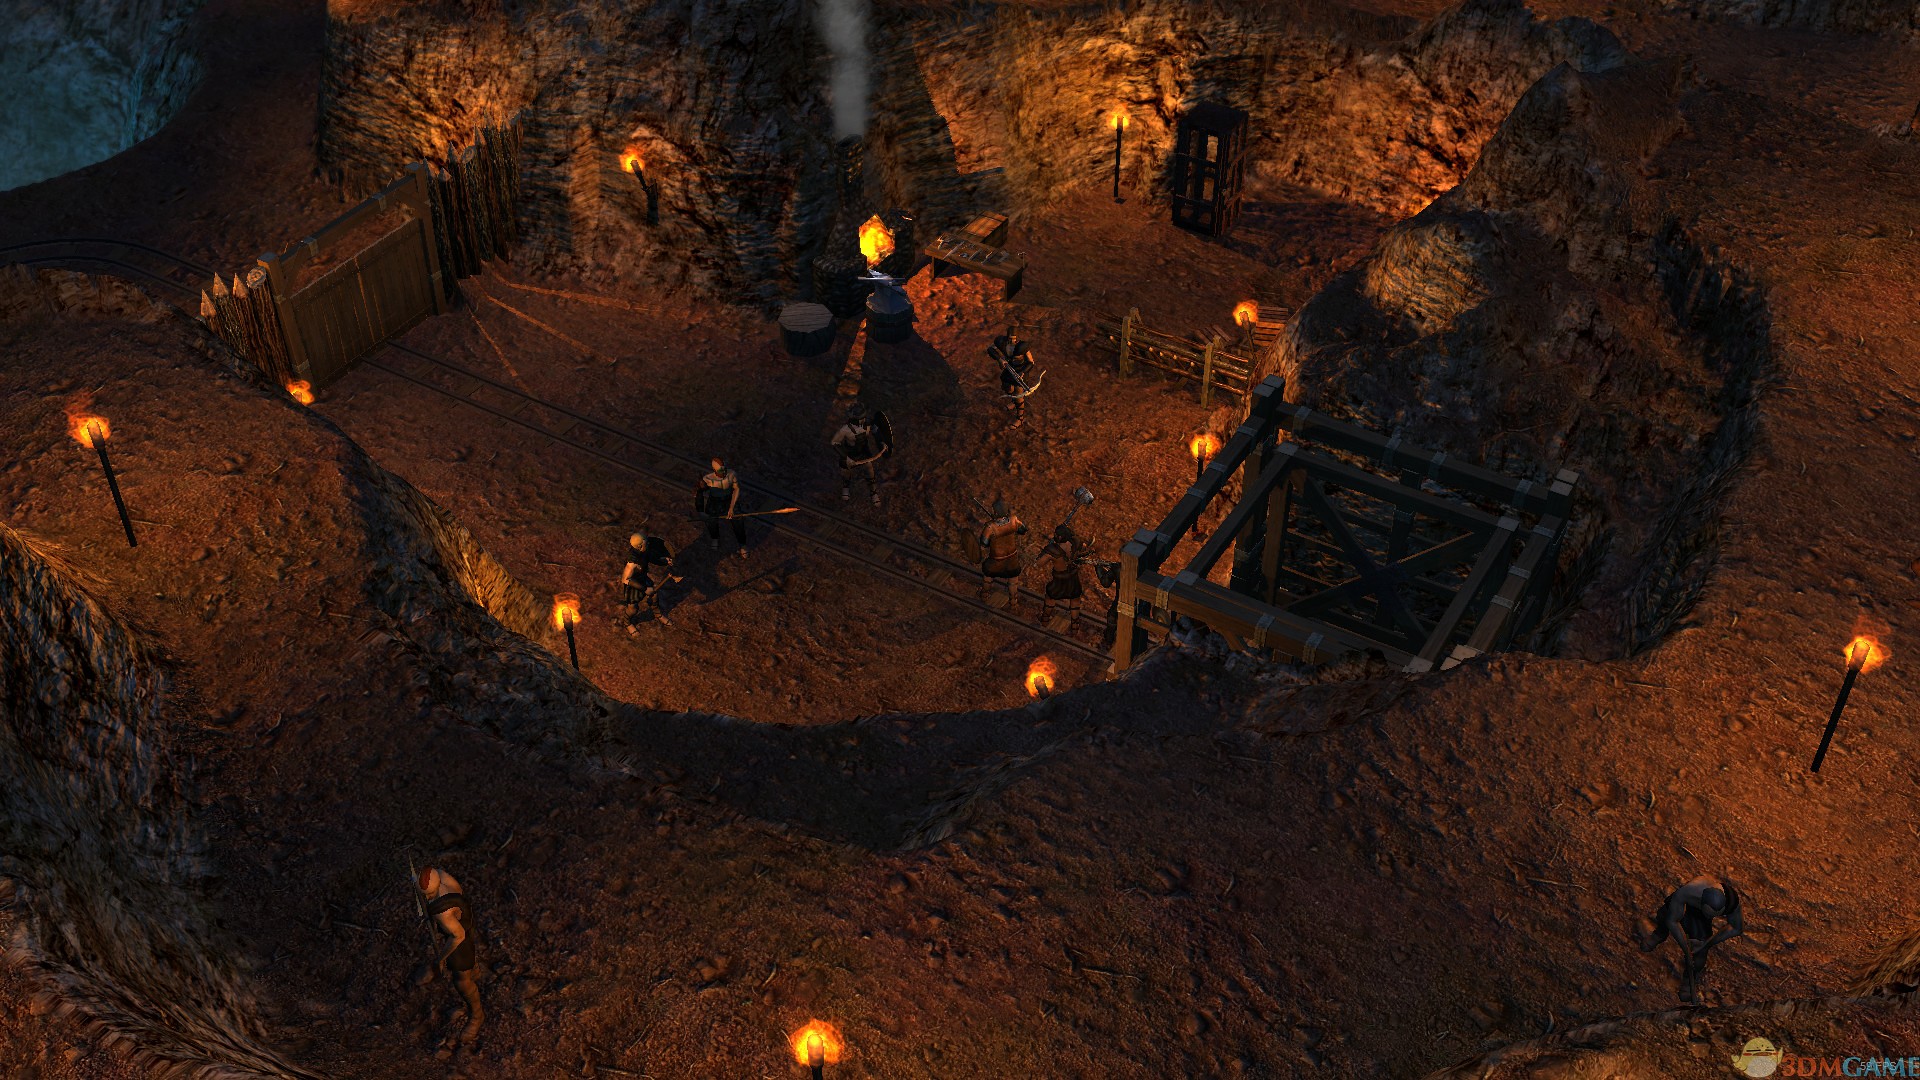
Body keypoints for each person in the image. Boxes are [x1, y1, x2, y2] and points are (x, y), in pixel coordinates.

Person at [1642, 874, 1744, 1002]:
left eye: (1714, 915)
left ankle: (1689, 979)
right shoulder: (1689, 891)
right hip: (1687, 904)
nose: (1711, 917)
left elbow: (1736, 928)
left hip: (1700, 916)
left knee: (1699, 951)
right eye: (1708, 913)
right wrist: (1686, 949)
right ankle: (1659, 934)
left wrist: (1706, 945)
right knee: (1665, 915)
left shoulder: (1732, 902)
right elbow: (1673, 921)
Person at [418, 866, 483, 1046]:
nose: (428, 898)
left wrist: (441, 958)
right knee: (469, 959)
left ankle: (477, 1015)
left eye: (429, 895)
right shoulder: (442, 876)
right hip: (464, 919)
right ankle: (475, 970)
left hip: (460, 939)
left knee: (461, 980)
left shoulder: (443, 912)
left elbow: (458, 936)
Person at [831, 401, 888, 505]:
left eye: (863, 417)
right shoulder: (845, 429)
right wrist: (846, 457)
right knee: (846, 472)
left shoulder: (868, 424)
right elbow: (834, 442)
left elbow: (877, 432)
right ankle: (846, 487)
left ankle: (873, 493)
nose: (862, 420)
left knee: (870, 473)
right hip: (849, 453)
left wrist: (881, 442)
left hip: (864, 452)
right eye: (859, 418)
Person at [619, 530, 676, 631]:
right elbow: (625, 579)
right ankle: (627, 623)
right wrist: (645, 589)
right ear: (639, 546)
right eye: (646, 541)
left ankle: (658, 615)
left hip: (643, 578)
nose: (648, 542)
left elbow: (652, 558)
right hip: (633, 585)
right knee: (633, 609)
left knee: (654, 596)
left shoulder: (645, 550)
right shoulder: (632, 561)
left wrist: (664, 561)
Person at [694, 456, 748, 559]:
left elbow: (736, 489)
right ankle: (715, 538)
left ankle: (743, 545)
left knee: (738, 520)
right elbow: (699, 493)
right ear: (714, 470)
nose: (723, 472)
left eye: (724, 469)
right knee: (711, 521)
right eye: (720, 470)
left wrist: (731, 508)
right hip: (714, 502)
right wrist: (700, 511)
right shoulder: (708, 479)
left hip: (729, 500)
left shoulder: (731, 474)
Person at [978, 497, 1027, 607]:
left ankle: (984, 595)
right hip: (1012, 557)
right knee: (1013, 581)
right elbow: (1023, 530)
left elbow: (984, 543)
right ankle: (1013, 603)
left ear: (995, 512)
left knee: (987, 577)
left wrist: (995, 528)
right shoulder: (1014, 520)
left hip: (996, 560)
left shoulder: (990, 527)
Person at [988, 328, 1040, 427]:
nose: (1012, 341)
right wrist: (999, 359)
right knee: (1007, 387)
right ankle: (1013, 401)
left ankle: (1020, 418)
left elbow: (1031, 362)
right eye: (1010, 338)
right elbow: (990, 349)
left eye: (1014, 339)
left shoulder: (1022, 347)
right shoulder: (1002, 342)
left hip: (1021, 371)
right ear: (1007, 337)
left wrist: (1023, 372)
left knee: (1019, 395)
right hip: (1009, 368)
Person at [1038, 524, 1085, 628]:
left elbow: (1039, 563)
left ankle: (1044, 622)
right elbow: (1084, 547)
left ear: (1059, 537)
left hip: (1059, 581)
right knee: (1075, 601)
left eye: (1056, 534)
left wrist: (1043, 553)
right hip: (1073, 579)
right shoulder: (1076, 542)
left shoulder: (1052, 550)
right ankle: (1075, 628)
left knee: (1050, 599)